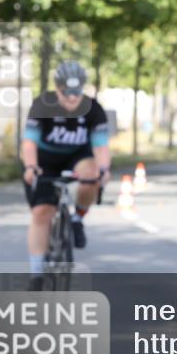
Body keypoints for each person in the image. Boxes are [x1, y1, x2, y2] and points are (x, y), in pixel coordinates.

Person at [21, 61, 111, 290]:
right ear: (57, 89)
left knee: (92, 174)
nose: (72, 97)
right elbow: (29, 143)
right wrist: (31, 167)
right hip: (44, 160)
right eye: (66, 92)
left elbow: (101, 146)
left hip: (77, 156)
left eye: (77, 92)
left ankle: (78, 218)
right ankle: (37, 274)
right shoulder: (42, 105)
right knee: (42, 212)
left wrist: (104, 170)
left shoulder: (93, 109)